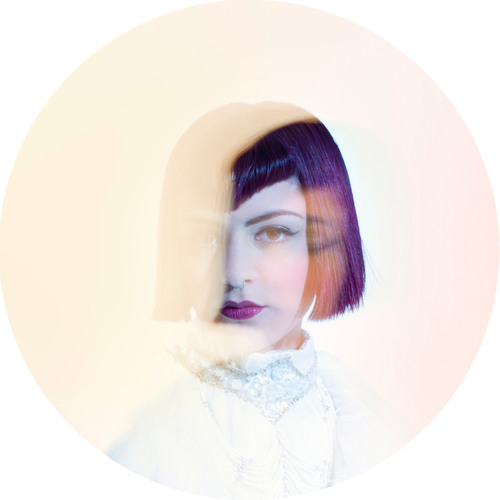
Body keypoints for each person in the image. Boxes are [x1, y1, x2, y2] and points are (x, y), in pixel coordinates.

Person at [108, 103, 406, 498]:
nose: (233, 273)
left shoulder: (374, 427)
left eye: (273, 232)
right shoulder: (133, 439)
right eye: (203, 237)